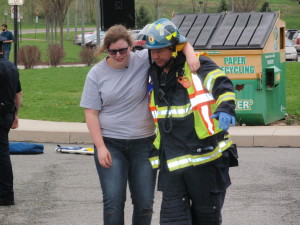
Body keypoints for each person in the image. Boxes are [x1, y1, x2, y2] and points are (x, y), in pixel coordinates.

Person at [80, 24, 199, 225]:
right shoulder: (96, 74)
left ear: (131, 47)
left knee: (145, 203)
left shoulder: (144, 59)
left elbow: (178, 41)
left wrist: (191, 56)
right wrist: (100, 147)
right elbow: (91, 113)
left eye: (123, 50)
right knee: (113, 203)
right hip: (111, 144)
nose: (118, 55)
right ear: (106, 50)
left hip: (144, 144)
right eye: (113, 51)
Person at [145, 18, 239, 225]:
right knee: (172, 221)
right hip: (172, 164)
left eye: (160, 50)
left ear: (174, 48)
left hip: (206, 160)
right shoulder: (155, 71)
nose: (155, 55)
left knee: (206, 219)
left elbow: (222, 84)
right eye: (153, 51)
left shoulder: (197, 64)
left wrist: (225, 107)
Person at [0, 36, 22, 206]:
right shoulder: (11, 66)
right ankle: (6, 194)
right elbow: (18, 93)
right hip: (7, 113)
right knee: (3, 153)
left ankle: (6, 195)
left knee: (2, 155)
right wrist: (16, 115)